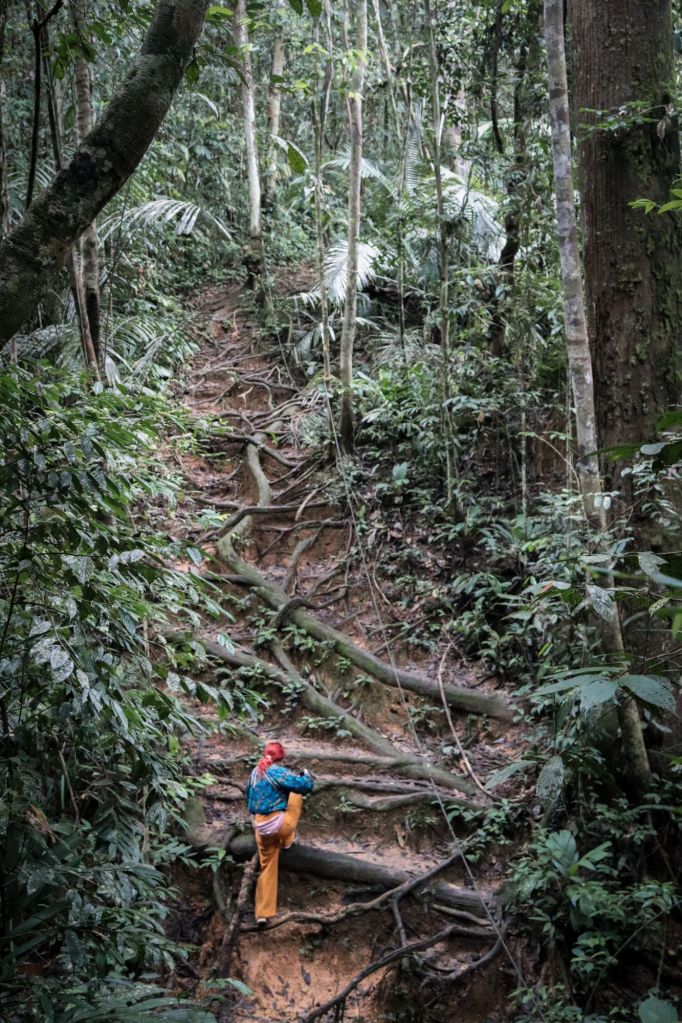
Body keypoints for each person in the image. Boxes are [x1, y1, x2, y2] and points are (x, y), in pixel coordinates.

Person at [245, 740, 314, 925]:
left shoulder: (255, 772)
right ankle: (287, 841)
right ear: (280, 757)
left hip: (261, 828)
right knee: (296, 796)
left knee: (267, 867)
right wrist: (306, 775)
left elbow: (248, 799)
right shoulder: (276, 771)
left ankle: (262, 914)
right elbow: (304, 786)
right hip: (281, 826)